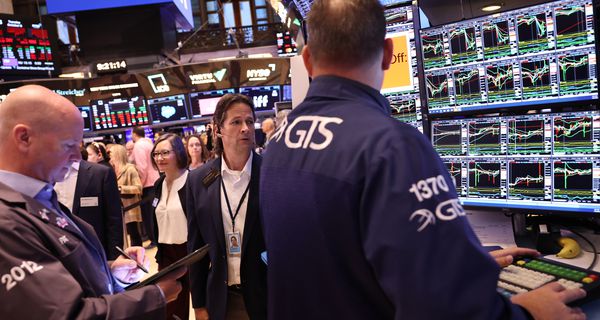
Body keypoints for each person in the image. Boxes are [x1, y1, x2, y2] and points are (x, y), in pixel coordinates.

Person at [259, 1, 586, 320]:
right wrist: (528, 312)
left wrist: (463, 259)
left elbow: (339, 263)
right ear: (388, 53)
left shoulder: (278, 143)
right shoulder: (391, 146)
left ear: (307, 59)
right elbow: (449, 310)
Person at [0, 85, 184, 318]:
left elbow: (59, 275)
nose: (78, 158)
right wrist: (155, 296)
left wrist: (109, 273)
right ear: (24, 137)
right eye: (68, 145)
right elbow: (66, 314)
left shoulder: (40, 196)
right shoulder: (5, 221)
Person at [187, 94, 267, 320]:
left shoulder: (272, 172)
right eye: (236, 122)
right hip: (221, 299)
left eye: (250, 122)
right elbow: (196, 247)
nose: (246, 128)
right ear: (218, 129)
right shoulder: (200, 180)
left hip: (267, 295)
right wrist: (199, 303)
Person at [150, 133, 191, 320]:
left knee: (202, 305)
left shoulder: (192, 181)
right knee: (170, 307)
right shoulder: (159, 184)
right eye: (156, 154)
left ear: (179, 153)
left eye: (165, 152)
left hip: (191, 253)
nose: (159, 158)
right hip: (166, 254)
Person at [55, 159, 124, 260]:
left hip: (95, 254)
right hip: (59, 255)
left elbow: (114, 220)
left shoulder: (100, 174)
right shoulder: (44, 176)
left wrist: (115, 259)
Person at [110, 144, 144, 247]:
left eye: (110, 153)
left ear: (117, 154)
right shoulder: (111, 169)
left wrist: (121, 188)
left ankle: (138, 256)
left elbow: (138, 187)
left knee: (133, 233)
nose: (109, 156)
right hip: (118, 208)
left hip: (130, 207)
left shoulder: (130, 169)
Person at [131, 126, 160, 248]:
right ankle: (156, 238)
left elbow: (142, 168)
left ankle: (153, 240)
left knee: (149, 216)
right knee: (154, 213)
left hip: (147, 184)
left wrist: (140, 186)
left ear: (134, 134)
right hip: (156, 180)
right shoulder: (149, 143)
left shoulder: (138, 146)